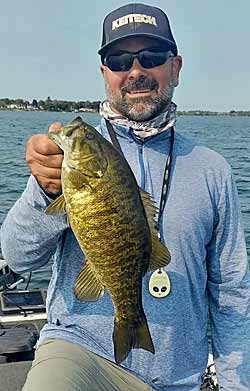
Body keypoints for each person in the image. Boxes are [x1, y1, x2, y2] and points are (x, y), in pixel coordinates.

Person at [1, 3, 250, 391]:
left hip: (179, 375)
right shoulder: (66, 160)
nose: (135, 71)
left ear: (176, 68)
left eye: (150, 57)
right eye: (119, 60)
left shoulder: (212, 169)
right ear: (105, 73)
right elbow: (17, 257)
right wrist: (43, 190)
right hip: (82, 353)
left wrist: (236, 384)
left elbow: (232, 290)